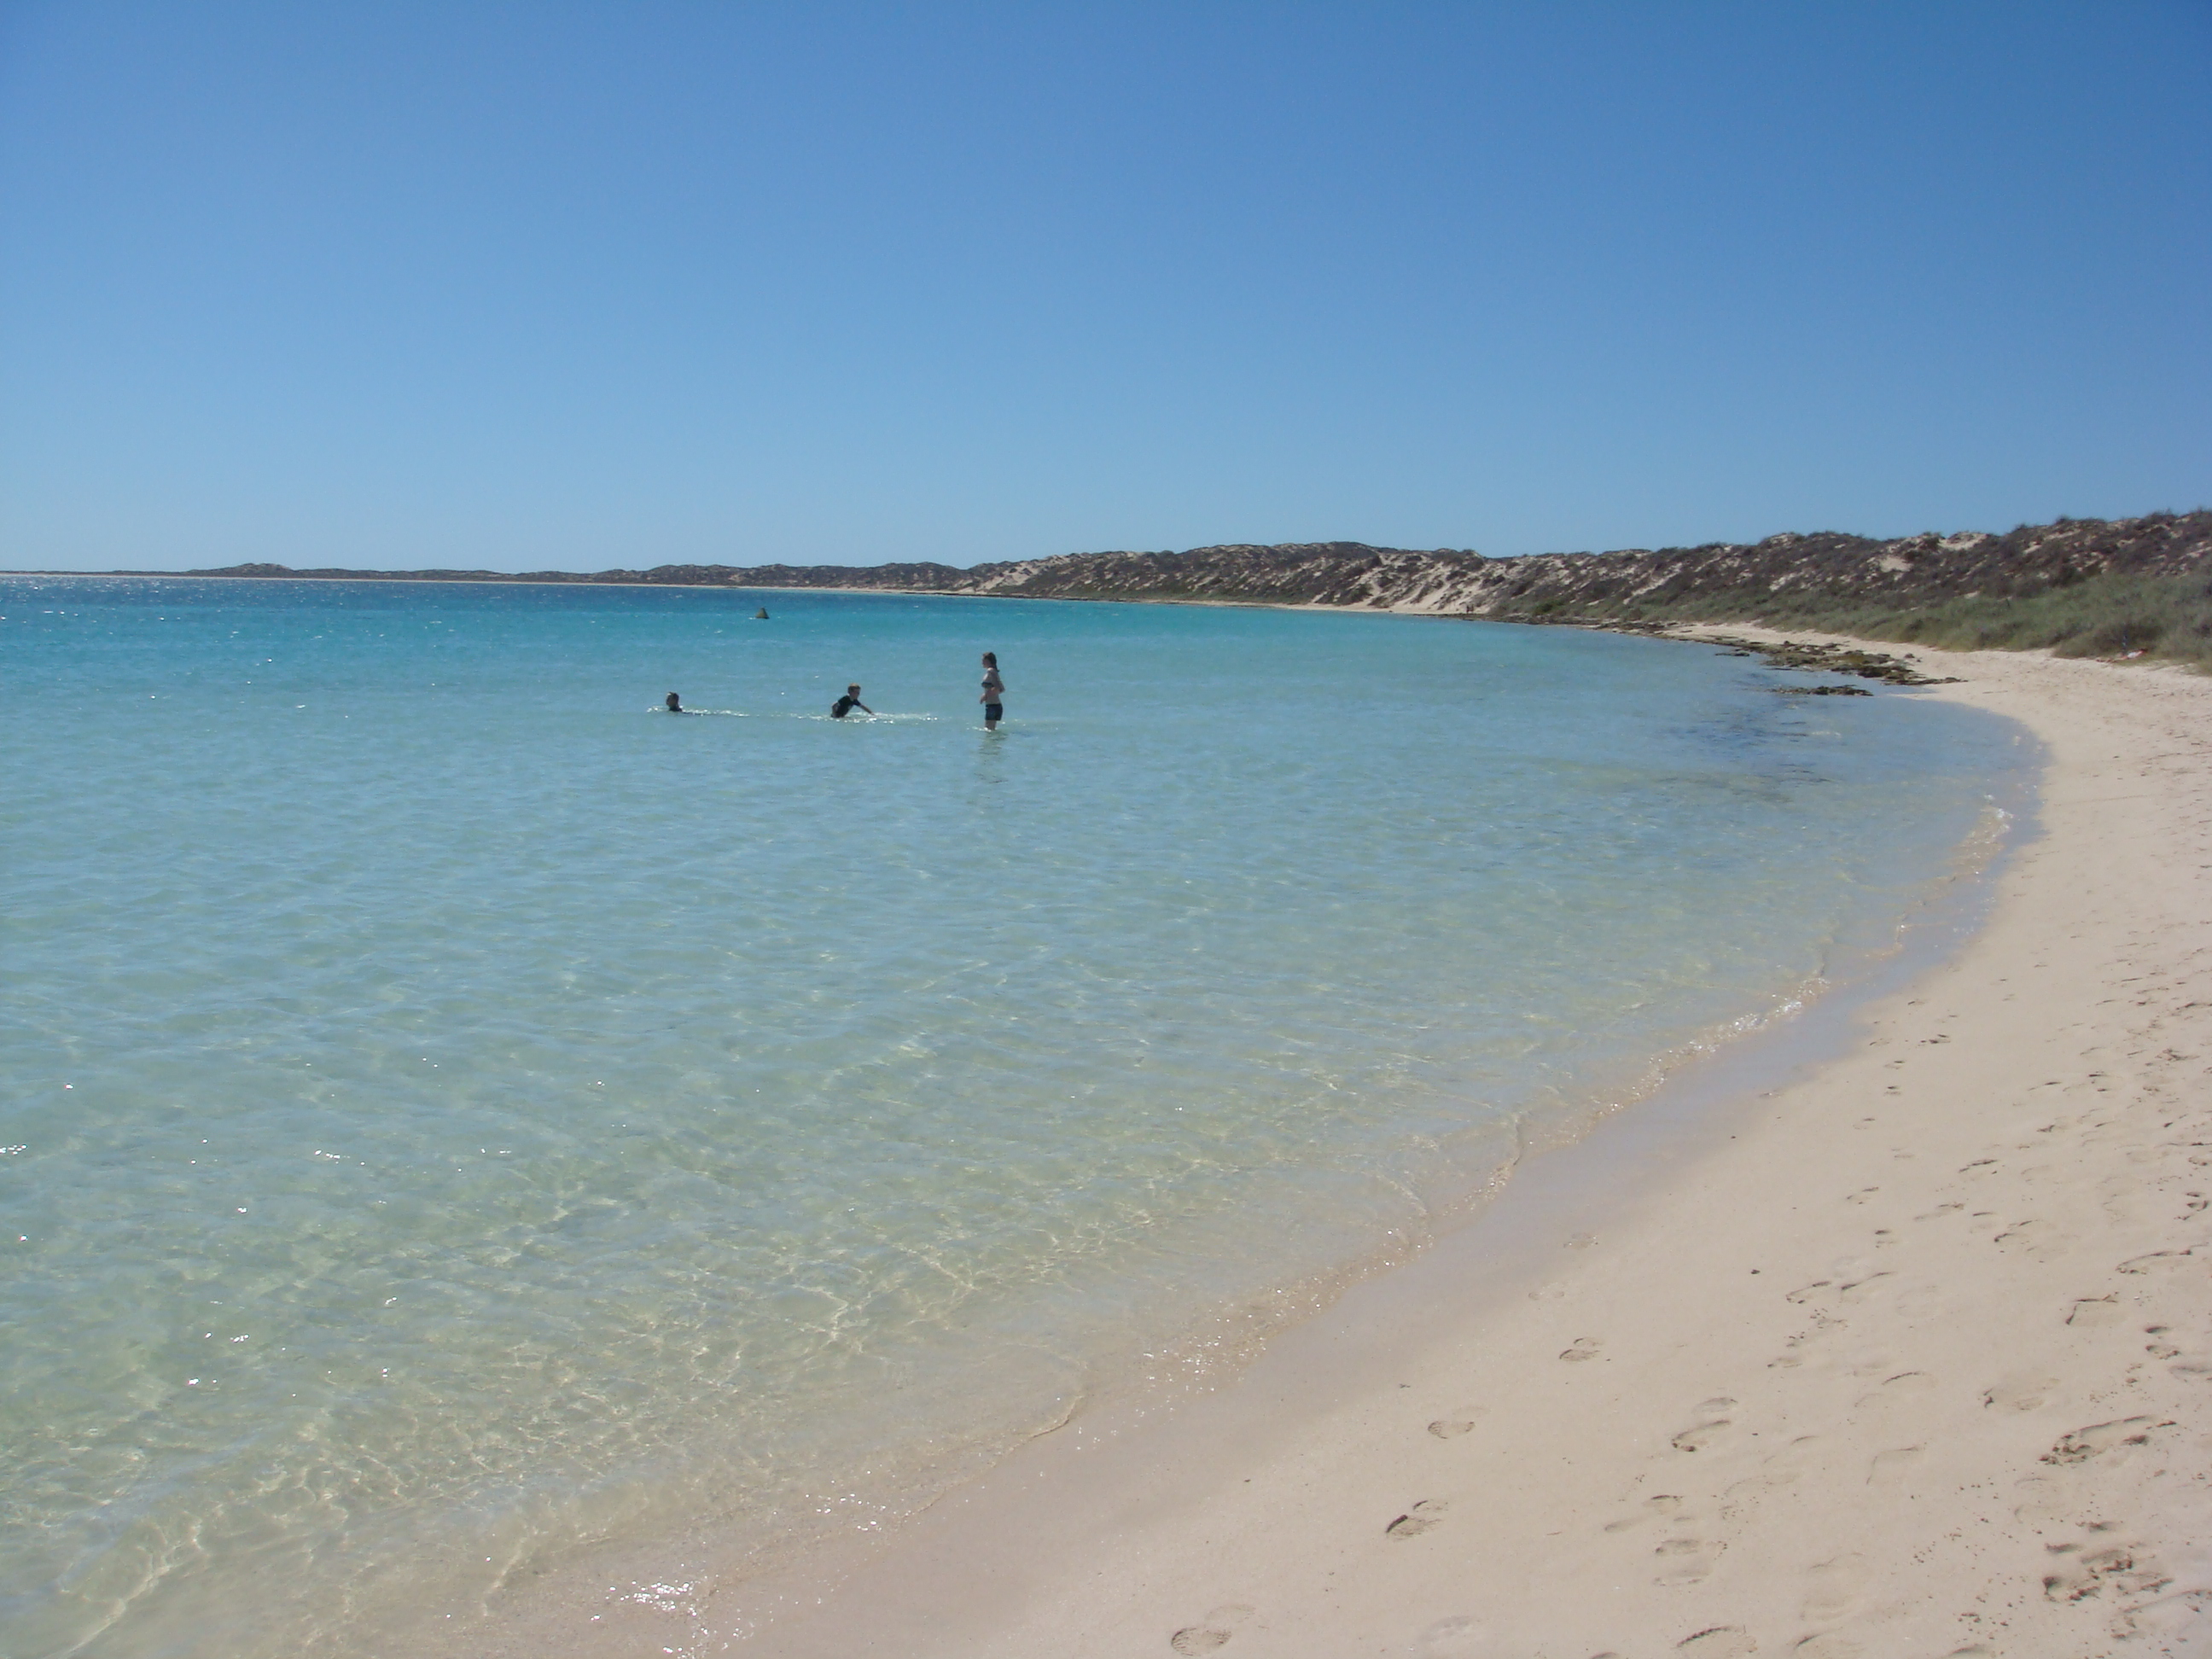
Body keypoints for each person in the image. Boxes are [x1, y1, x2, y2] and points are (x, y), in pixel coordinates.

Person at [979, 652, 1004, 731]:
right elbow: (1002, 689)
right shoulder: (994, 672)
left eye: (983, 660)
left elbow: (998, 688)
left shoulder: (991, 671)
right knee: (991, 730)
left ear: (988, 661)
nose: (982, 662)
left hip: (993, 705)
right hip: (994, 705)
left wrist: (985, 696)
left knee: (988, 730)